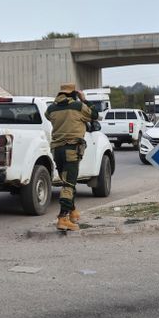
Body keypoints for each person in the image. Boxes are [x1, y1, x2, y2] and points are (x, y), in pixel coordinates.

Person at [45, 82, 97, 231]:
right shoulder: (78, 107)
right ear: (74, 94)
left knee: (67, 182)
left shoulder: (51, 109)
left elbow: (48, 117)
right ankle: (62, 218)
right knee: (69, 184)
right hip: (71, 149)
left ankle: (73, 212)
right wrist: (84, 99)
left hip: (56, 150)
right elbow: (95, 115)